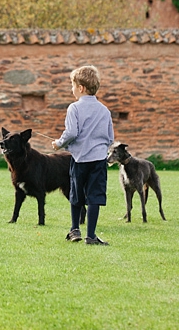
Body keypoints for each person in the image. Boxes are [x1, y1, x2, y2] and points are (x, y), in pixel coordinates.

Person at [52, 65, 114, 246]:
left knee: (76, 194)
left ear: (81, 88)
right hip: (98, 160)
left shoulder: (74, 108)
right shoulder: (104, 110)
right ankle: (91, 236)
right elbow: (110, 137)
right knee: (95, 196)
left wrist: (59, 143)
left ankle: (74, 229)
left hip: (79, 160)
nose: (72, 89)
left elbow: (71, 132)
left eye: (72, 86)